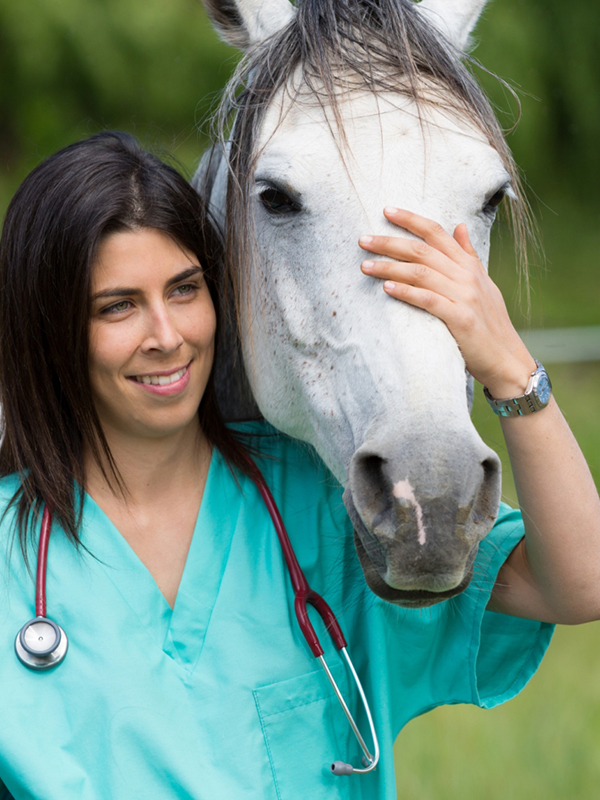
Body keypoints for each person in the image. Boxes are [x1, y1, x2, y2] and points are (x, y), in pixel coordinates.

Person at [0, 131, 597, 800]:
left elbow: (577, 584)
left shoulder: (327, 507)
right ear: (49, 327)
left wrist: (509, 368)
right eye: (118, 306)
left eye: (185, 289)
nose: (167, 337)